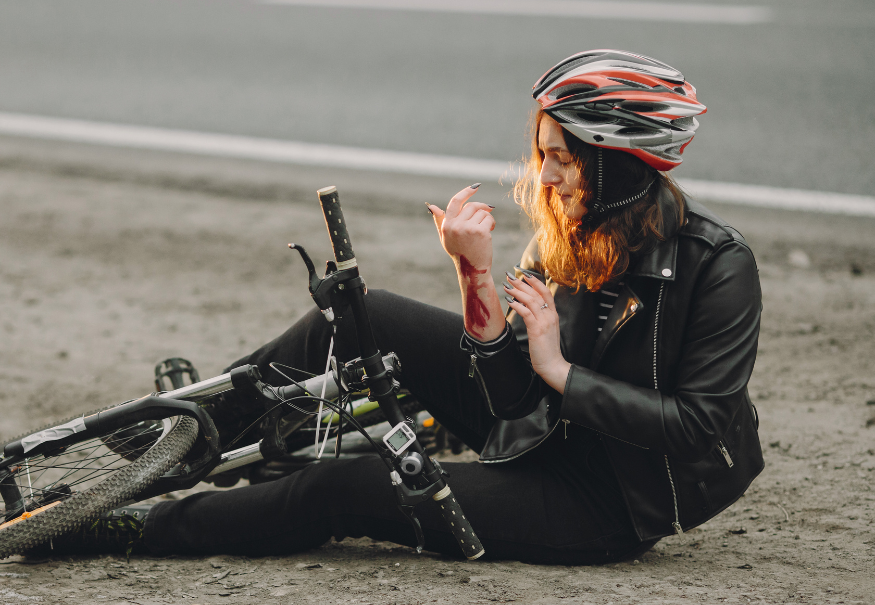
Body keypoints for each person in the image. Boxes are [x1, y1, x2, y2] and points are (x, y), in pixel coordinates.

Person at [44, 49, 763, 564]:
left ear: (618, 164)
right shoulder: (568, 235)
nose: (545, 175)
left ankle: (142, 528)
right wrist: (472, 272)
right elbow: (510, 398)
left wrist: (561, 373)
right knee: (371, 312)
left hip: (599, 498)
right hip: (537, 425)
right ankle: (181, 441)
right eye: (544, 153)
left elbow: (698, 428)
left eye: (565, 160)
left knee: (338, 488)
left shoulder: (716, 265)